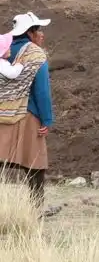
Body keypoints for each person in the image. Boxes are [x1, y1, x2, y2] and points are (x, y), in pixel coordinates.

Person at [0, 12, 54, 211]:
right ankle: (36, 208)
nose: (41, 34)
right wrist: (47, 119)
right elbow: (42, 91)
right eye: (38, 30)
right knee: (35, 164)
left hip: (1, 113)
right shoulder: (35, 55)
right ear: (29, 32)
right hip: (27, 114)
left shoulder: (3, 50)